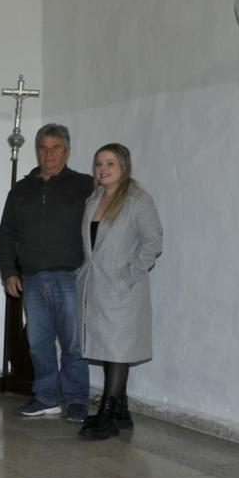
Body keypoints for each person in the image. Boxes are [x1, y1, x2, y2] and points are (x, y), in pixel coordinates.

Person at [0, 124, 96, 423]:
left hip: (70, 276)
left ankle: (77, 400)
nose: (48, 153)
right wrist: (8, 271)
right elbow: (7, 234)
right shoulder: (22, 189)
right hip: (32, 277)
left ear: (66, 150)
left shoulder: (85, 185)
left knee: (73, 343)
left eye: (55, 147)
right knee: (38, 343)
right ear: (36, 150)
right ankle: (47, 397)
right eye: (43, 147)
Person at [77, 144, 163, 440]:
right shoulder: (94, 198)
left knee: (117, 350)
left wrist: (131, 275)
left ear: (123, 166)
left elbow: (153, 241)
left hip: (122, 289)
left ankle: (107, 414)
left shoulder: (138, 200)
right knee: (107, 347)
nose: (103, 169)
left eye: (110, 163)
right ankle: (122, 411)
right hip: (96, 285)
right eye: (99, 163)